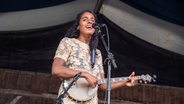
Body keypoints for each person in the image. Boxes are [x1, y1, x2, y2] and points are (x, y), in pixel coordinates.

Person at [52, 10, 138, 104]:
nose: (90, 21)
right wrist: (85, 74)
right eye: (85, 19)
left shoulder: (97, 53)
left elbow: (101, 85)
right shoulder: (68, 42)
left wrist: (125, 82)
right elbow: (56, 69)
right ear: (78, 26)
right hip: (69, 100)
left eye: (93, 20)